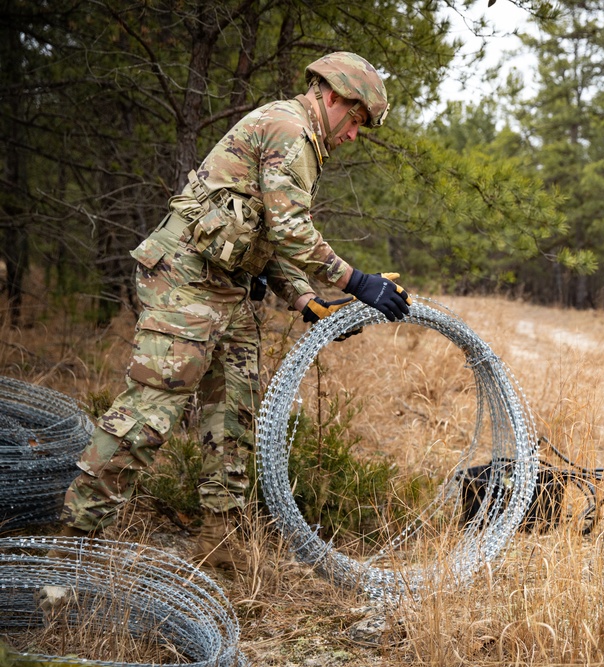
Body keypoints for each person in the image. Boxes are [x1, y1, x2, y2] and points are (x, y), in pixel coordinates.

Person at [56, 52, 411, 570]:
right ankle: (74, 546)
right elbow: (291, 231)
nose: (353, 135)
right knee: (151, 413)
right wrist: (359, 283)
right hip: (186, 280)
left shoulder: (301, 137)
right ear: (333, 97)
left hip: (228, 287)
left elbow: (270, 234)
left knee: (235, 414)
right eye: (355, 121)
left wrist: (304, 298)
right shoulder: (290, 130)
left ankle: (219, 544)